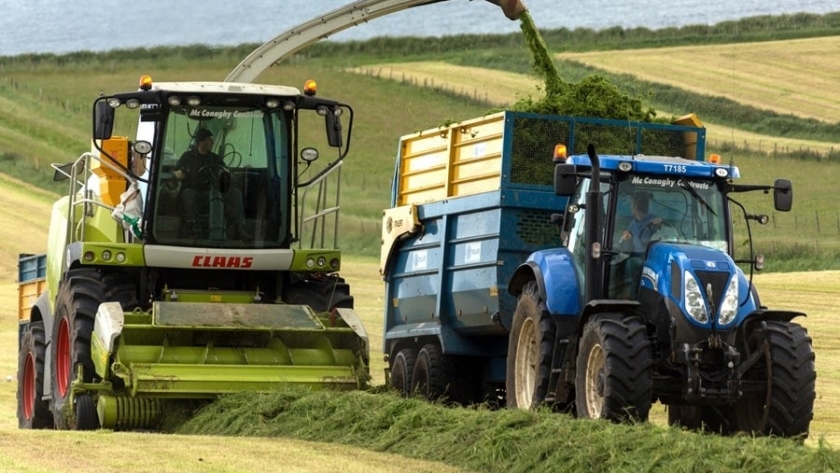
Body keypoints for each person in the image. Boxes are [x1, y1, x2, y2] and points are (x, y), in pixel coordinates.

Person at [174, 128, 251, 240]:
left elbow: (226, 171)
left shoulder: (215, 158)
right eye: (209, 140)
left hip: (215, 194)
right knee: (187, 193)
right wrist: (178, 173)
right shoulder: (187, 156)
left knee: (235, 193)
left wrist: (225, 173)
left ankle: (239, 228)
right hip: (196, 194)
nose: (212, 142)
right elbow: (175, 171)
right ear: (201, 142)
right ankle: (192, 226)